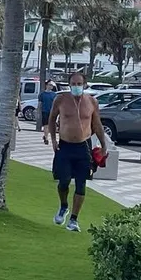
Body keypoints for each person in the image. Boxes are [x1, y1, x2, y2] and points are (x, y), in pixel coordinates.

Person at [48, 72, 108, 232]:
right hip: (65, 146)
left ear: (85, 85)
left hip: (84, 146)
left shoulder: (92, 102)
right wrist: (53, 139)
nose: (76, 87)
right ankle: (63, 206)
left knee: (81, 184)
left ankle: (74, 219)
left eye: (79, 84)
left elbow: (97, 125)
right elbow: (52, 119)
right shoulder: (61, 99)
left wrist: (104, 145)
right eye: (73, 84)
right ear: (69, 85)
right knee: (64, 181)